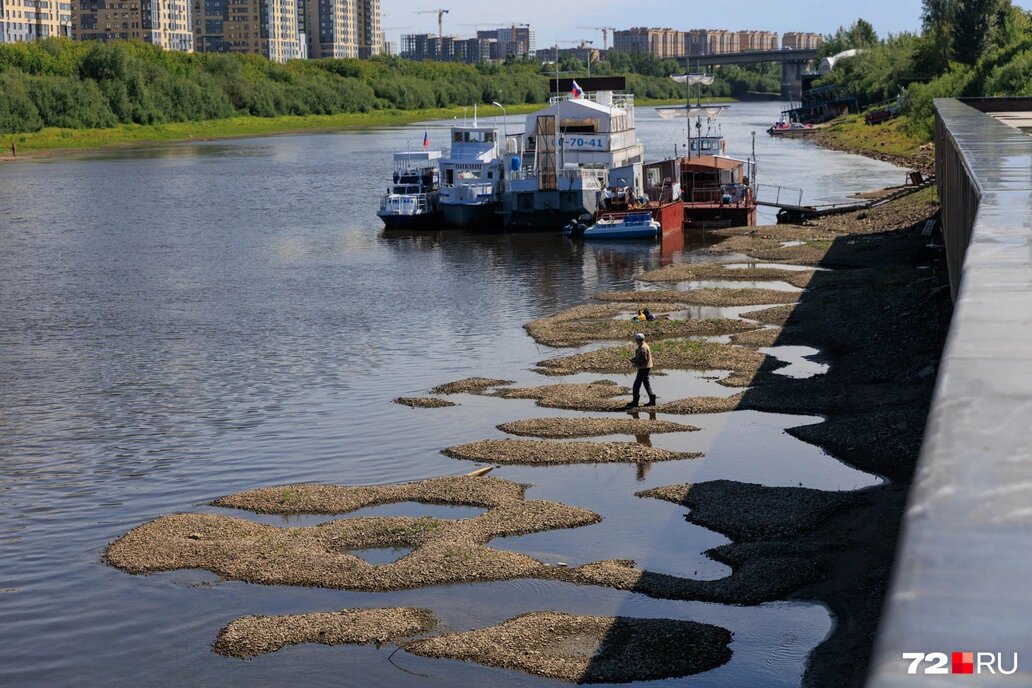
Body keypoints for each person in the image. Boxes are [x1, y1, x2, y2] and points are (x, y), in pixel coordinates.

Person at [626, 332, 656, 408]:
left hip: (644, 368)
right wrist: (634, 359)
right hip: (646, 367)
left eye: (636, 340)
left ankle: (635, 402)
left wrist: (635, 363)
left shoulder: (643, 348)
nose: (635, 341)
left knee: (636, 385)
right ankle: (652, 400)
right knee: (646, 384)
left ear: (639, 340)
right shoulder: (643, 345)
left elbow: (643, 359)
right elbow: (641, 358)